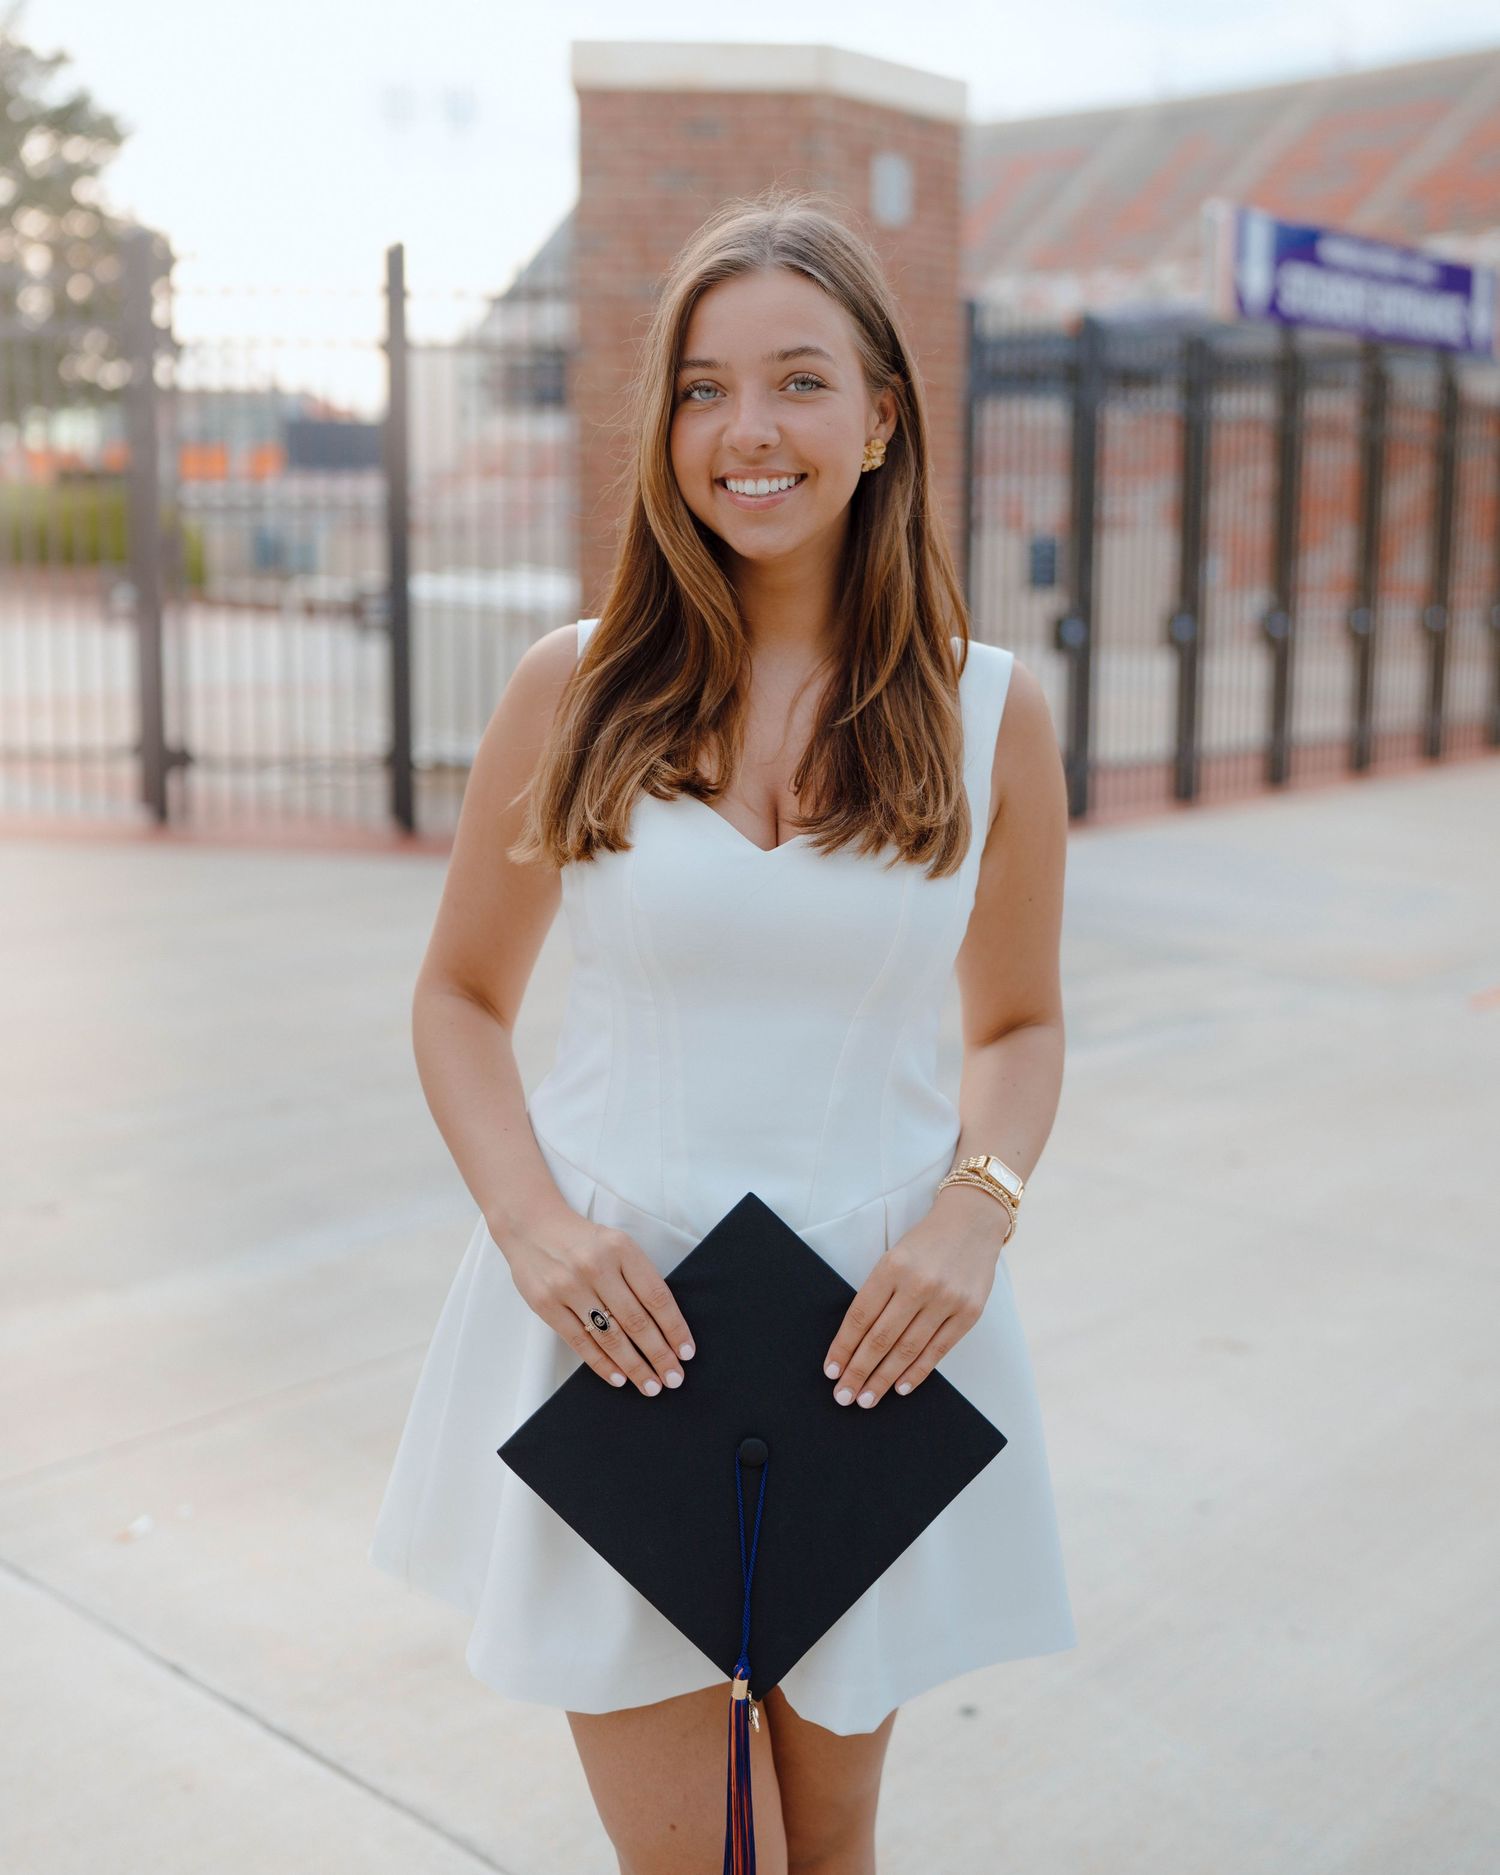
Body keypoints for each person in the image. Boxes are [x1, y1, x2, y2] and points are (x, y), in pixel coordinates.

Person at [368, 186, 1077, 1875]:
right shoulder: (577, 685)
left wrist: (978, 1208)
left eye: (798, 380)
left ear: (884, 416)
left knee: (831, 1856)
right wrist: (534, 1226)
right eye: (700, 388)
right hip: (619, 1341)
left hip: (874, 1341)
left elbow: (1027, 1018)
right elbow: (459, 999)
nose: (745, 431)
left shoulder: (990, 713)